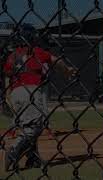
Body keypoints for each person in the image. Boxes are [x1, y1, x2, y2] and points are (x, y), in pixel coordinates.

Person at [3, 24, 76, 171]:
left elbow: (7, 73)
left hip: (16, 92)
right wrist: (67, 71)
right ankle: (13, 151)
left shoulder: (13, 55)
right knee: (35, 125)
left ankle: (32, 158)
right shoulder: (36, 51)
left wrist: (8, 93)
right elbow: (55, 60)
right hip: (31, 90)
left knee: (27, 124)